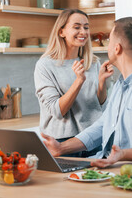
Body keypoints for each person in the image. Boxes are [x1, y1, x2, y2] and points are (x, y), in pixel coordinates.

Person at [41, 17, 132, 168]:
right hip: (114, 171)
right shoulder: (121, 85)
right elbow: (103, 125)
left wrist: (123, 154)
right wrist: (61, 148)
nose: (107, 45)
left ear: (117, 48)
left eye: (109, 40)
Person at [34, 9, 113, 157]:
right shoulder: (45, 65)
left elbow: (100, 105)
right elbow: (57, 111)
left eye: (86, 27)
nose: (83, 32)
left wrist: (102, 81)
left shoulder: (93, 62)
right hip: (61, 142)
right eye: (76, 27)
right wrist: (79, 81)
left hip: (92, 139)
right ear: (61, 32)